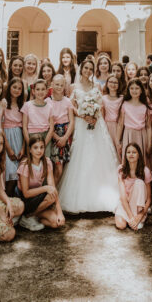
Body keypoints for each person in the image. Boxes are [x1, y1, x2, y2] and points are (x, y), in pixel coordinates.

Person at [58, 57, 120, 213]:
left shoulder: (97, 86)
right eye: (85, 68)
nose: (88, 71)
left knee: (99, 157)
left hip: (96, 123)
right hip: (81, 123)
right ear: (81, 69)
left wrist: (94, 114)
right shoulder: (73, 87)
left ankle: (102, 199)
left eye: (90, 69)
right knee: (81, 157)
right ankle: (79, 198)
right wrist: (82, 115)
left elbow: (100, 105)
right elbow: (71, 106)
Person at [17, 135, 65, 231]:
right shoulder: (25, 165)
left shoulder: (47, 162)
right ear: (30, 149)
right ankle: (27, 216)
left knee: (55, 223)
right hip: (25, 200)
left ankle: (33, 217)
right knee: (50, 195)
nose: (39, 150)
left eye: (41, 147)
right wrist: (45, 188)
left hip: (37, 198)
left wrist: (60, 212)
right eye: (35, 147)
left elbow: (52, 187)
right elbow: (26, 193)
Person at [115, 143, 152, 231]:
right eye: (128, 152)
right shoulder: (121, 169)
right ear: (126, 155)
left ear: (138, 155)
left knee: (139, 182)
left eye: (134, 152)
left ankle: (139, 217)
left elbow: (149, 198)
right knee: (121, 225)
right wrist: (131, 218)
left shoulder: (145, 171)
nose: (131, 154)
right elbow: (123, 197)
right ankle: (132, 218)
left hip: (138, 204)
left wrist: (140, 216)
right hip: (126, 203)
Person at [49, 74, 75, 184]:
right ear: (52, 85)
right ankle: (51, 196)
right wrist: (57, 138)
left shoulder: (67, 101)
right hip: (53, 134)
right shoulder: (47, 101)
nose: (59, 87)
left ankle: (57, 193)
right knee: (57, 168)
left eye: (61, 85)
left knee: (63, 168)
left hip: (65, 133)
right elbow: (47, 123)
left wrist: (65, 138)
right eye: (57, 84)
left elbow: (72, 121)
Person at [118, 78, 151, 164]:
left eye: (137, 88)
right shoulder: (125, 104)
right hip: (128, 134)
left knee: (140, 159)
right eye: (131, 88)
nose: (134, 90)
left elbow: (148, 126)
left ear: (141, 90)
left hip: (141, 135)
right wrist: (118, 141)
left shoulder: (145, 106)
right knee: (129, 158)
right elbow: (120, 125)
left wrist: (149, 144)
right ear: (128, 90)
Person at [3, 77, 25, 195]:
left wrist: (23, 148)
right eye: (14, 87)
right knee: (9, 171)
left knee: (16, 173)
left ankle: (12, 200)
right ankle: (5, 198)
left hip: (19, 137)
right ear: (9, 88)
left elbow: (25, 128)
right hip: (6, 137)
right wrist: (8, 148)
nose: (17, 90)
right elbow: (0, 126)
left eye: (19, 88)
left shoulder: (23, 105)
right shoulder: (3, 103)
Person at [21, 78, 54, 155]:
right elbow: (24, 127)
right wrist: (30, 143)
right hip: (31, 137)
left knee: (45, 162)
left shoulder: (50, 107)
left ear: (47, 91)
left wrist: (44, 144)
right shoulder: (27, 105)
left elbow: (51, 128)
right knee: (32, 163)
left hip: (45, 137)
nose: (40, 92)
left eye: (43, 89)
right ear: (33, 91)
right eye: (38, 89)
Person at [102, 74, 123, 159]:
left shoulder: (122, 98)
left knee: (118, 148)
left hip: (119, 126)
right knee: (108, 150)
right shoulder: (103, 98)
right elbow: (102, 116)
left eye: (115, 82)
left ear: (118, 85)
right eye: (110, 82)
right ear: (107, 83)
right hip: (107, 126)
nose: (113, 84)